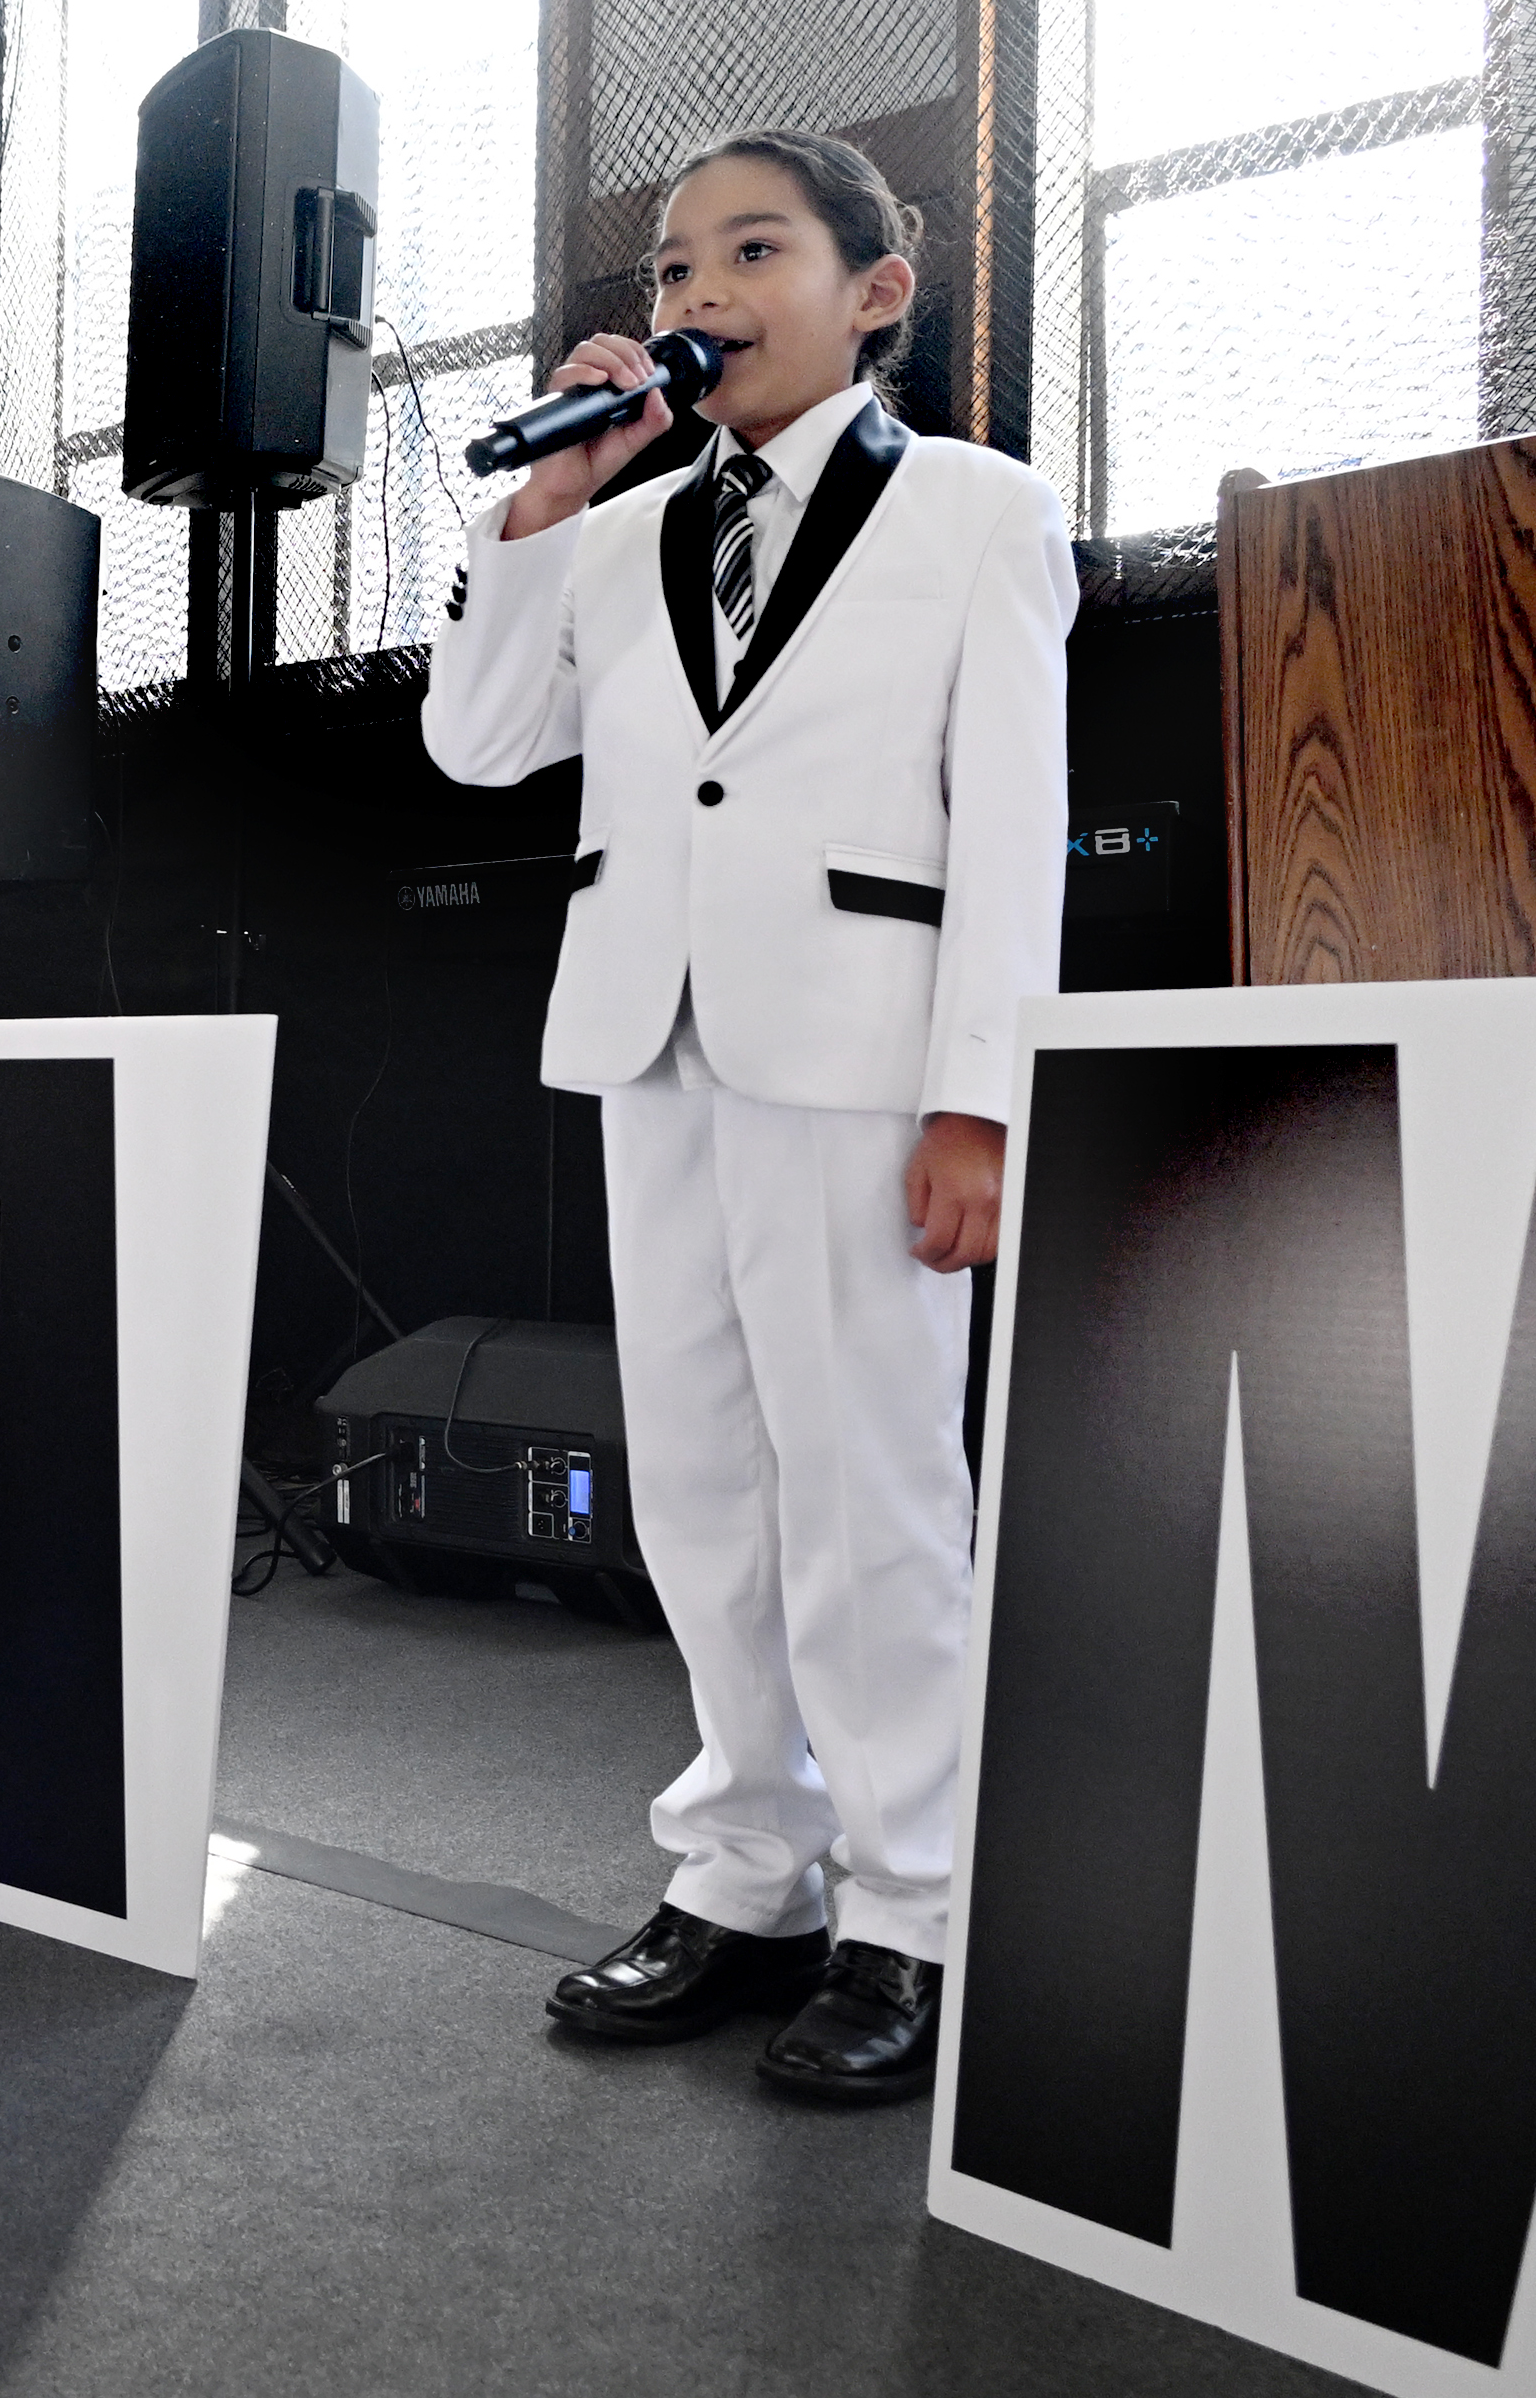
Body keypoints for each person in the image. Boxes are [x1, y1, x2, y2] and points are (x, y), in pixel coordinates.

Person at [421, 130, 1075, 2103]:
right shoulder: (617, 536)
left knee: (870, 1491)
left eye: (753, 251)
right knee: (701, 1483)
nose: (700, 293)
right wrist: (550, 501)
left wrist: (981, 1099)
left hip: (864, 1054)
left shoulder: (973, 510)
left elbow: (1017, 828)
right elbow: (478, 742)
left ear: (876, 292)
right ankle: (745, 1866)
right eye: (674, 265)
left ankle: (913, 1907)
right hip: (657, 1042)